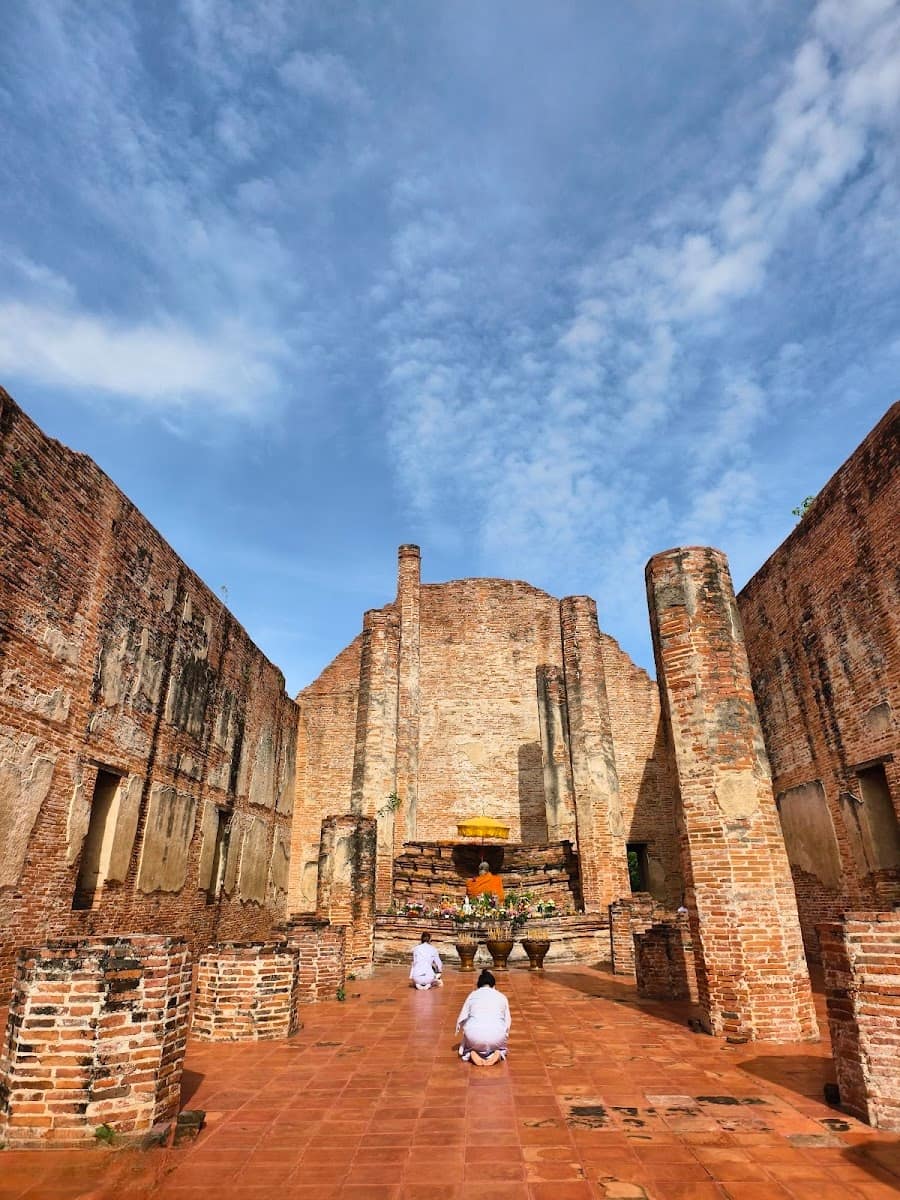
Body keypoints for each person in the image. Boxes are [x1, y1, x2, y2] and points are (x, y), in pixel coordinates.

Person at [455, 969, 511, 1066]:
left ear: (478, 986)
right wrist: (503, 1036)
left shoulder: (472, 995)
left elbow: (461, 1019)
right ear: (494, 986)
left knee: (468, 1035)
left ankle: (471, 1052)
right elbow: (507, 1022)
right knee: (502, 1044)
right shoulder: (501, 996)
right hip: (496, 1037)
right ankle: (498, 1052)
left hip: (474, 1037)